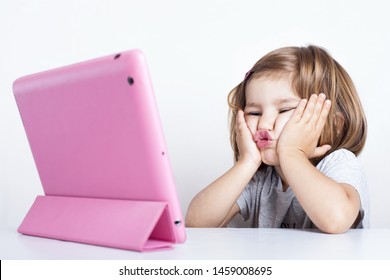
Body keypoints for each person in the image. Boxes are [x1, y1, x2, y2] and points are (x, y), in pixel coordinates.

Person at [186, 45, 368, 233]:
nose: (264, 123)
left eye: (283, 110)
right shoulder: (261, 179)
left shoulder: (338, 163)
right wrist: (247, 162)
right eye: (254, 112)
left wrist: (292, 153)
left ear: (335, 124)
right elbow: (197, 224)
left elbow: (336, 220)